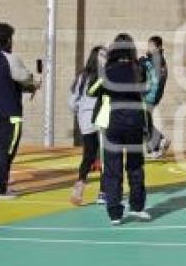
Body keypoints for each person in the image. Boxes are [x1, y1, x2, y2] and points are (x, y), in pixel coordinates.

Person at [88, 33, 150, 225]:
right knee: (135, 165)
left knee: (112, 167)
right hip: (135, 121)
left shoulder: (109, 70)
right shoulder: (138, 68)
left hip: (114, 121)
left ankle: (115, 212)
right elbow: (144, 89)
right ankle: (137, 207)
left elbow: (92, 90)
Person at [0, 23, 39, 200]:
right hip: (10, 113)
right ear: (7, 40)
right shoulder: (9, 58)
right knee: (6, 150)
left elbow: (3, 82)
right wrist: (33, 83)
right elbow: (24, 77)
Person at [68, 46, 105, 206]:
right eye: (104, 55)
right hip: (99, 117)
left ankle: (80, 185)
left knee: (89, 155)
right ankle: (103, 192)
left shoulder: (82, 76)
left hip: (85, 118)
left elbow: (72, 100)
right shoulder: (103, 76)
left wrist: (79, 110)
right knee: (103, 156)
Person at [141, 35, 170, 159]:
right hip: (151, 95)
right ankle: (155, 147)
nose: (149, 48)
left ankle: (159, 142)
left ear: (159, 47)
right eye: (149, 45)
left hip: (149, 95)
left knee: (144, 122)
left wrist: (142, 60)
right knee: (145, 121)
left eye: (152, 46)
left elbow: (156, 80)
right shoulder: (156, 59)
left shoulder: (155, 60)